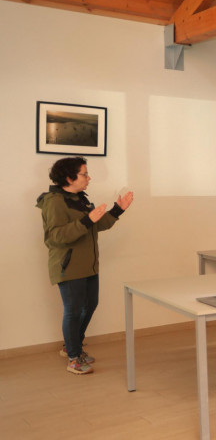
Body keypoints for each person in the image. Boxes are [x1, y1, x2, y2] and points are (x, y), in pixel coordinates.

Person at [38, 157, 134, 375]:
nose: (88, 178)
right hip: (69, 266)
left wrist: (118, 210)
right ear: (69, 177)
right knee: (73, 311)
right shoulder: (54, 201)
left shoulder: (79, 198)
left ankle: (73, 347)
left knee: (90, 305)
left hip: (88, 265)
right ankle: (73, 357)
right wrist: (87, 220)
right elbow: (56, 236)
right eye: (84, 174)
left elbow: (94, 226)